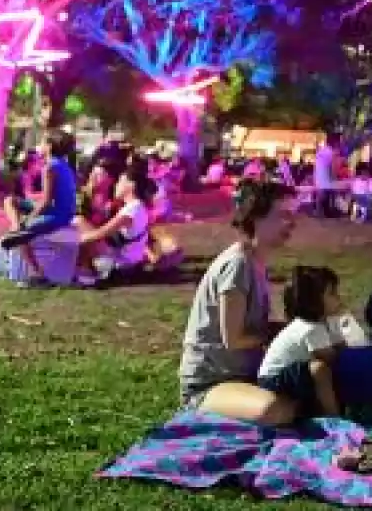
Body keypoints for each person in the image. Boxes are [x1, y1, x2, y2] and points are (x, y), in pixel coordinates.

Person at [179, 180, 300, 425]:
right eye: (283, 216)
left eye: (293, 215)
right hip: (210, 384)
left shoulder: (255, 262)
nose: (292, 223)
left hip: (240, 377)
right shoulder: (237, 265)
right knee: (276, 409)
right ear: (256, 218)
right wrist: (279, 333)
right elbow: (233, 338)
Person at [256, 266, 348, 417]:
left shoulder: (319, 324)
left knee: (321, 370)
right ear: (314, 301)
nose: (338, 297)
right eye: (332, 293)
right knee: (320, 369)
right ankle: (334, 417)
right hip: (274, 380)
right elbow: (332, 357)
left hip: (285, 376)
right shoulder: (311, 328)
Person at [0, 132, 79, 285]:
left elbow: (46, 202)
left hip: (57, 216)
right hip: (63, 212)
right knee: (11, 200)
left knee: (22, 234)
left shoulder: (49, 167)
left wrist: (29, 218)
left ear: (49, 146)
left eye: (42, 142)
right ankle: (16, 227)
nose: (39, 145)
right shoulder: (63, 164)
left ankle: (37, 274)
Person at [76, 163, 156, 281]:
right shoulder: (136, 207)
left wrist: (76, 239)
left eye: (119, 182)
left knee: (78, 224)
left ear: (131, 186)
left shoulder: (131, 210)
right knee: (79, 225)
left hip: (121, 266)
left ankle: (85, 275)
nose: (116, 185)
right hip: (128, 264)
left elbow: (101, 233)